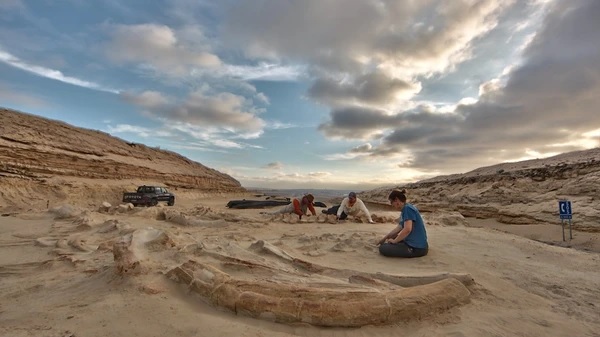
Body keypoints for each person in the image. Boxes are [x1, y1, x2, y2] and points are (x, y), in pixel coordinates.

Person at [377, 189, 428, 258]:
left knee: (383, 248)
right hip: (418, 244)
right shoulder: (406, 208)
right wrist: (384, 238)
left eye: (391, 202)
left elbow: (407, 229)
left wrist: (395, 241)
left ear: (396, 200)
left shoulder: (408, 209)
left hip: (416, 248)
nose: (392, 205)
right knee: (390, 239)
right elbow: (399, 228)